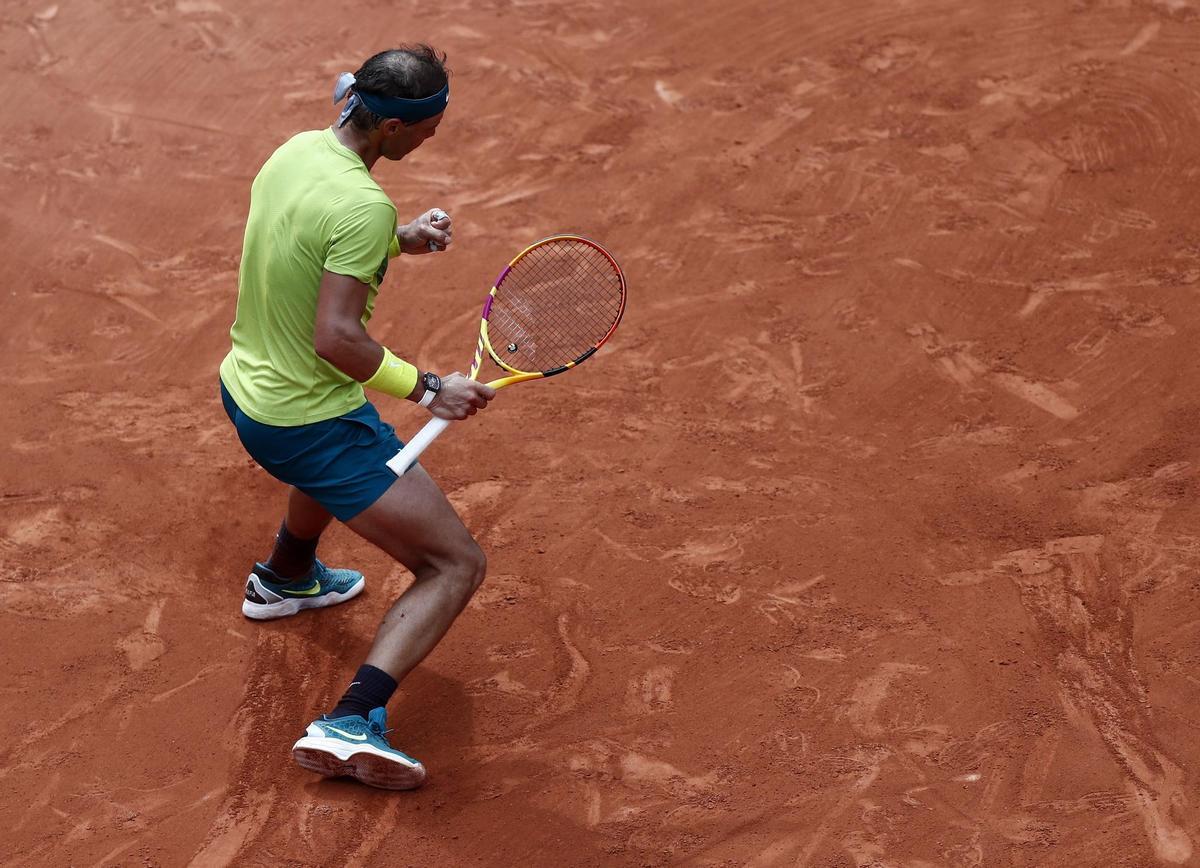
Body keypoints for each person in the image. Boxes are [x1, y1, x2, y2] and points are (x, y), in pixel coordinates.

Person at [218, 45, 495, 790]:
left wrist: (393, 241)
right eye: (430, 126)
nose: (434, 137)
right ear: (395, 128)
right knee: (455, 563)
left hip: (247, 391)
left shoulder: (300, 151)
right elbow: (336, 338)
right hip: (305, 422)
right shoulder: (362, 206)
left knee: (335, 457)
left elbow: (309, 242)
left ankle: (286, 576)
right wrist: (429, 386)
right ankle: (352, 719)